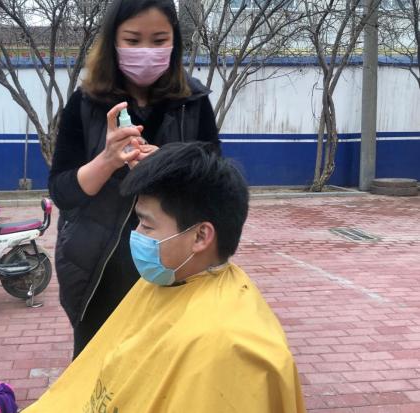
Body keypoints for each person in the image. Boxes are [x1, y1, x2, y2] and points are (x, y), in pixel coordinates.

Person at [25, 142, 306, 413]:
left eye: (147, 225)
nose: (136, 234)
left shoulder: (227, 345)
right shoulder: (168, 280)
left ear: (201, 236)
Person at [50, 0, 220, 357]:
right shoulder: (86, 104)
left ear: (175, 42)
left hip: (175, 268)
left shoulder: (193, 102)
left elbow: (217, 182)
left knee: (167, 370)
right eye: (132, 40)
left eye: (159, 40)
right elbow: (62, 192)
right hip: (98, 274)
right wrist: (107, 160)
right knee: (100, 370)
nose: (146, 51)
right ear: (113, 41)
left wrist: (171, 165)